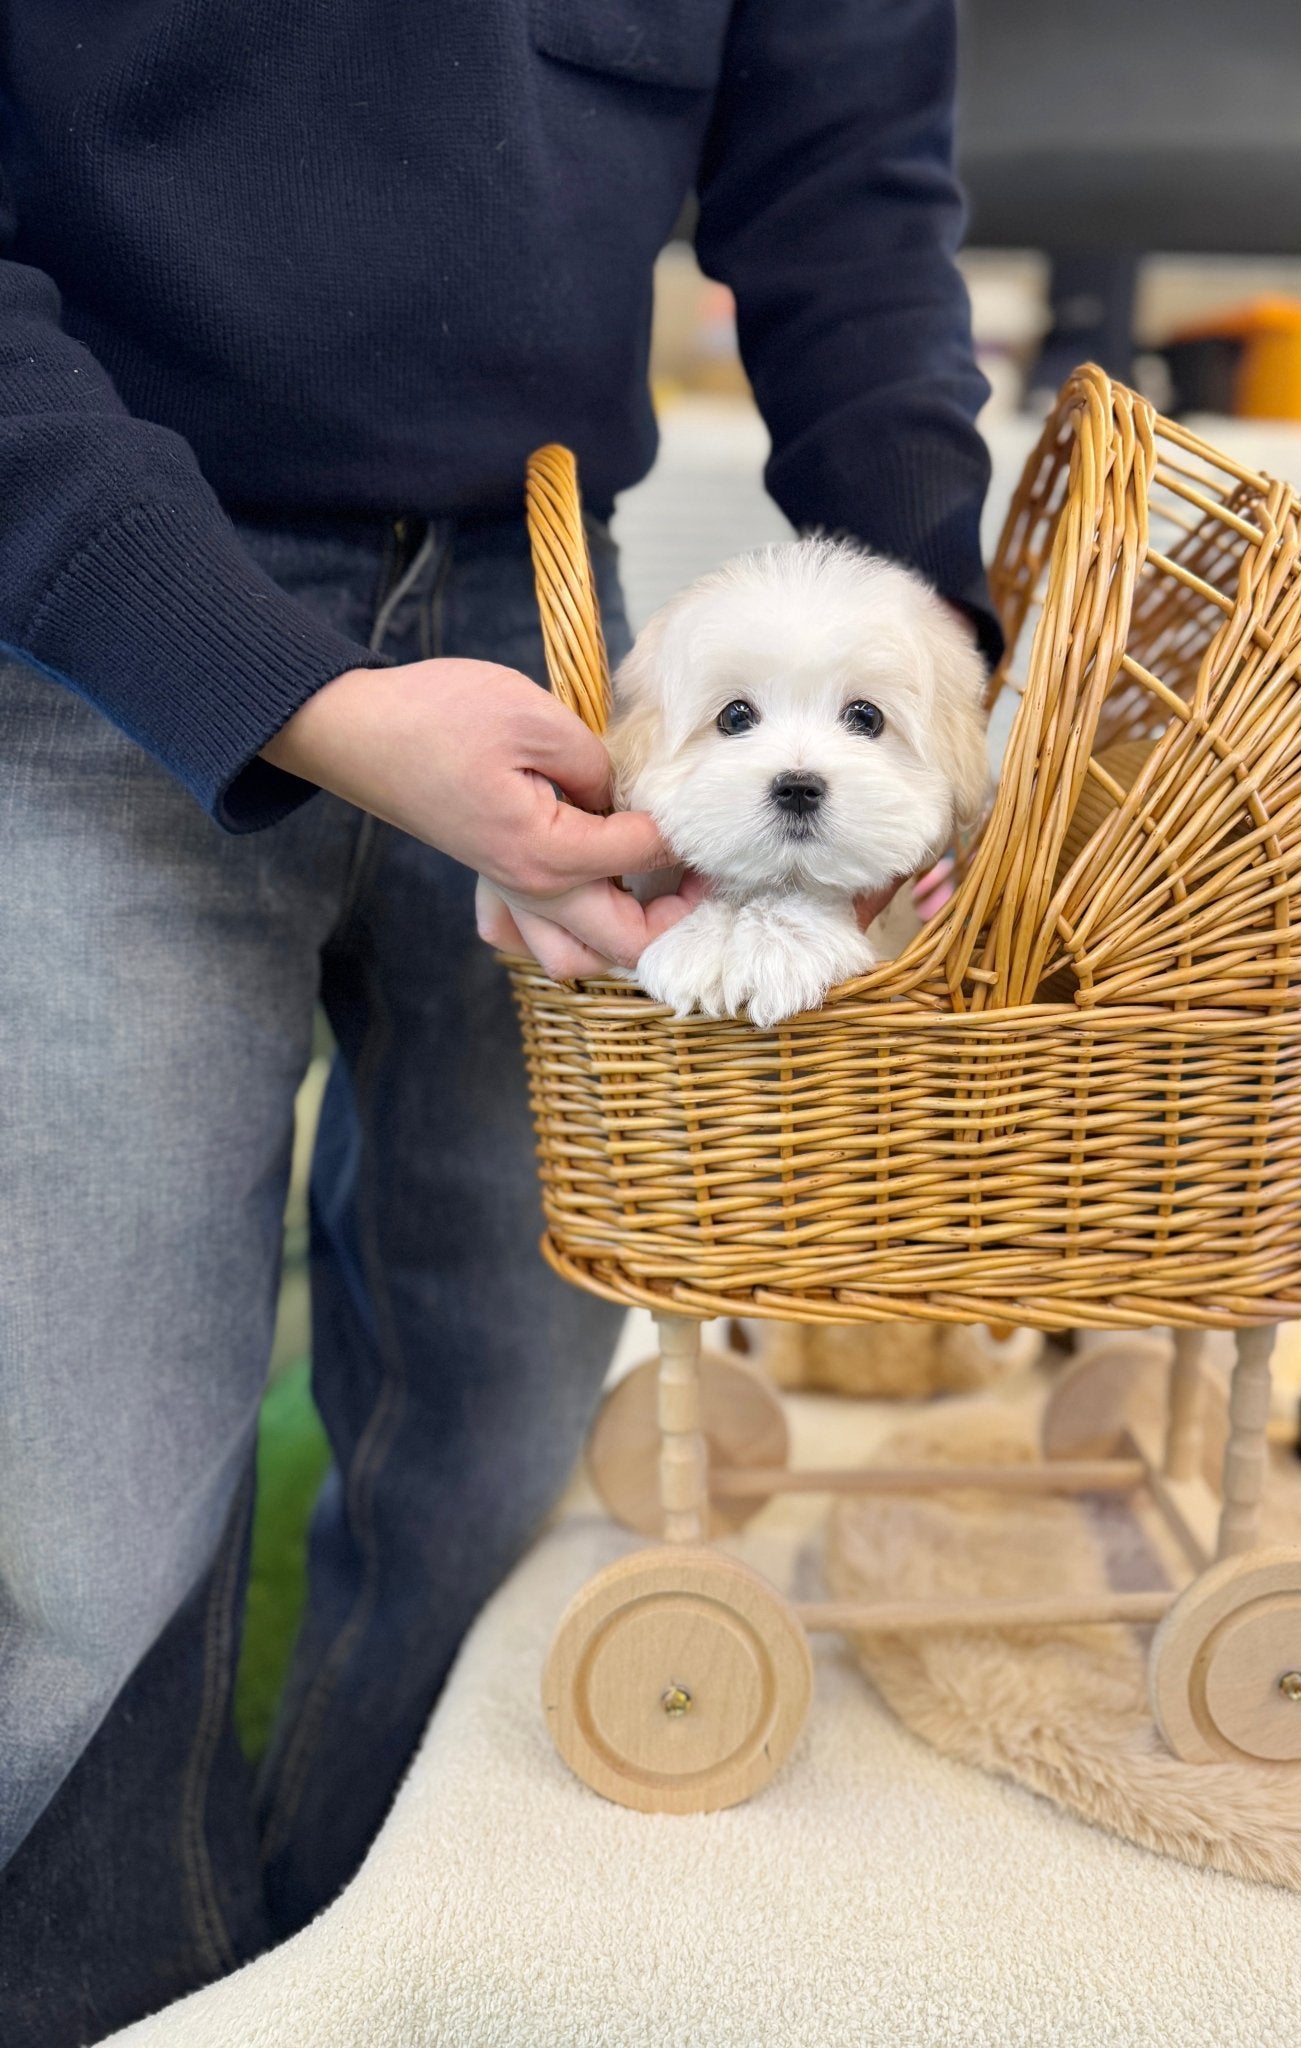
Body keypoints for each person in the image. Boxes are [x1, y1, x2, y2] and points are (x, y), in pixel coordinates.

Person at [0, 3, 999, 2036]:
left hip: (541, 602)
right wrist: (293, 694)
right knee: (78, 1550)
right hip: (88, 613)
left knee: (504, 1458)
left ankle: (370, 1973)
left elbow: (852, 192)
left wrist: (932, 671)